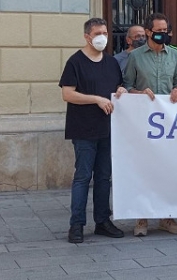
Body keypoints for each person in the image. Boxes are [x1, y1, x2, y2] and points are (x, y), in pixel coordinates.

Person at [60, 17, 127, 244]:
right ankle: (76, 225)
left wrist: (121, 90)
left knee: (104, 177)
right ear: (87, 36)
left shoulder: (111, 63)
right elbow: (68, 94)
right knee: (82, 177)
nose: (103, 37)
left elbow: (118, 85)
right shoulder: (75, 62)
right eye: (98, 33)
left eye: (105, 33)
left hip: (108, 129)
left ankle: (102, 221)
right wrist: (96, 99)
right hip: (84, 129)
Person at [124, 12, 177, 236]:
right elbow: (127, 85)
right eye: (158, 31)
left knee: (167, 169)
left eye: (165, 31)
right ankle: (142, 218)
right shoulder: (136, 57)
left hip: (168, 123)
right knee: (144, 169)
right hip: (143, 122)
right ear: (148, 32)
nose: (163, 35)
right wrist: (139, 93)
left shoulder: (175, 56)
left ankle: (166, 217)